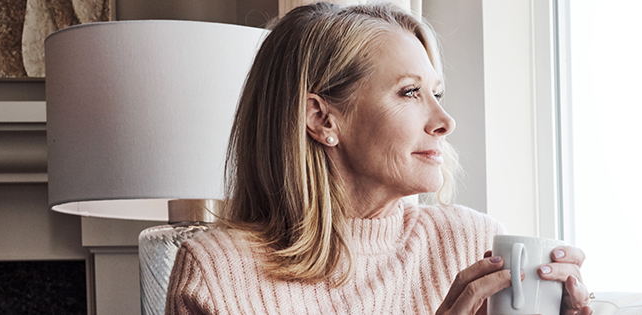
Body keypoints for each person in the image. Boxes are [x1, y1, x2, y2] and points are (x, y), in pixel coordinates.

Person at [164, 3, 593, 314]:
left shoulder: (472, 244)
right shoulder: (216, 273)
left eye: (436, 94)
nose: (445, 120)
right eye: (410, 92)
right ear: (321, 118)